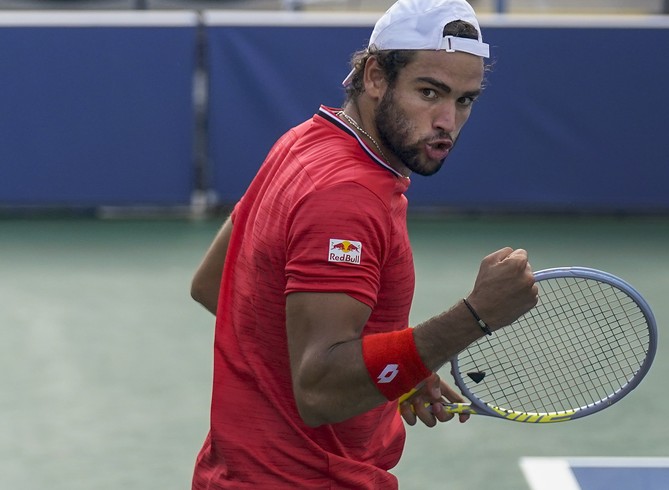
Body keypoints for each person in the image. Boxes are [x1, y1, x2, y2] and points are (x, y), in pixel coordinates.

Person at [189, 0, 538, 487]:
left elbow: (213, 286)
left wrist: (399, 367)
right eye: (429, 91)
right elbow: (321, 391)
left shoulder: (304, 140)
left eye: (464, 100)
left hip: (238, 471)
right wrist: (477, 315)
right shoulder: (349, 198)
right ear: (376, 76)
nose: (447, 121)